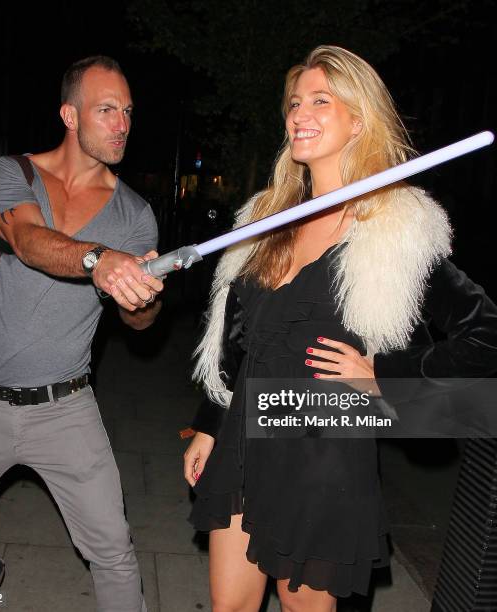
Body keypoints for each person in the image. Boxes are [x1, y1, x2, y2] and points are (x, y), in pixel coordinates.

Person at [183, 45, 497, 611]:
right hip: (244, 437)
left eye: (321, 101)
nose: (299, 112)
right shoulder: (266, 217)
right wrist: (210, 424)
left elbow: (485, 334)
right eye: (296, 101)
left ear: (359, 120)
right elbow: (236, 342)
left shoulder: (393, 228)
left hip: (321, 446)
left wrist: (385, 374)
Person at [0, 56, 162, 612]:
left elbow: (140, 326)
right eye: (107, 110)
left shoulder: (136, 216)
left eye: (128, 112)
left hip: (65, 408)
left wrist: (142, 297)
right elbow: (30, 241)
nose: (122, 124)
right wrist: (101, 260)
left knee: (114, 551)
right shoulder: (10, 173)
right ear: (69, 114)